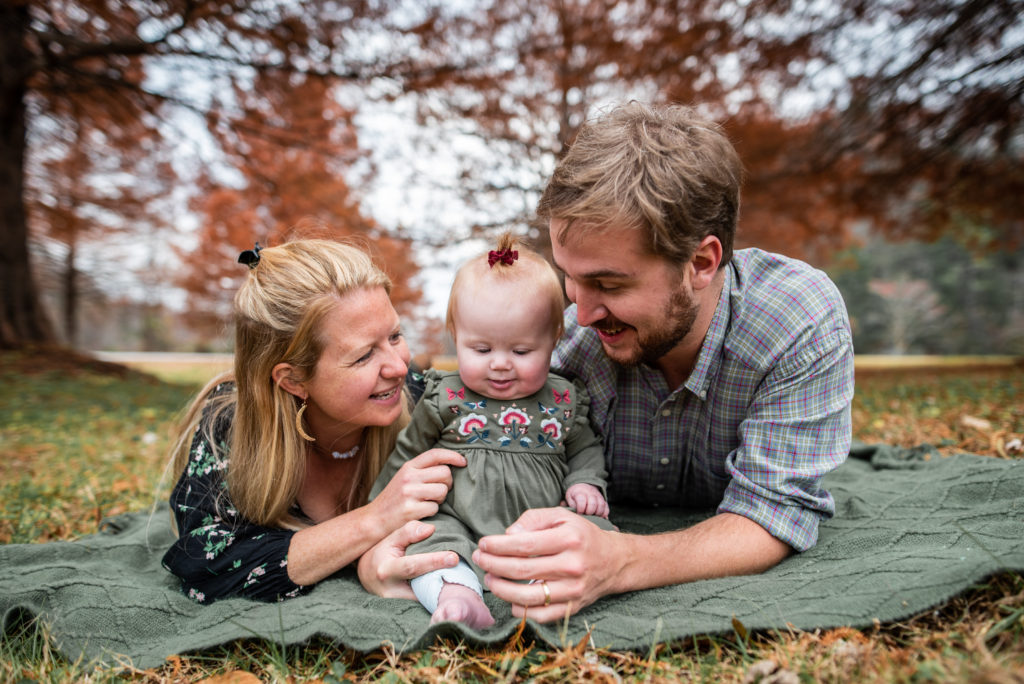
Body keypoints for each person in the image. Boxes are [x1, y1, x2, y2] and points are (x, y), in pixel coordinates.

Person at [360, 102, 855, 622]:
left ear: (701, 263)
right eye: (568, 277)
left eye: (608, 284)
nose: (580, 309)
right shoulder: (560, 344)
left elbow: (774, 513)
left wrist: (622, 560)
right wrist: (374, 544)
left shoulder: (795, 323)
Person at [162, 238, 465, 603]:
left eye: (395, 336)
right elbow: (205, 564)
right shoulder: (231, 425)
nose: (400, 367)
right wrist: (373, 522)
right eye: (364, 356)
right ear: (293, 380)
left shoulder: (423, 401)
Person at [368, 233, 613, 628]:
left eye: (520, 352)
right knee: (432, 544)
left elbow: (585, 448)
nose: (500, 364)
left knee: (587, 535)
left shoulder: (565, 400)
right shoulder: (444, 397)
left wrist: (585, 484)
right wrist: (380, 507)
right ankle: (456, 596)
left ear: (553, 341)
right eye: (481, 350)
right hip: (457, 518)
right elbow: (407, 455)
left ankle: (541, 588)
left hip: (540, 523)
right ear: (457, 336)